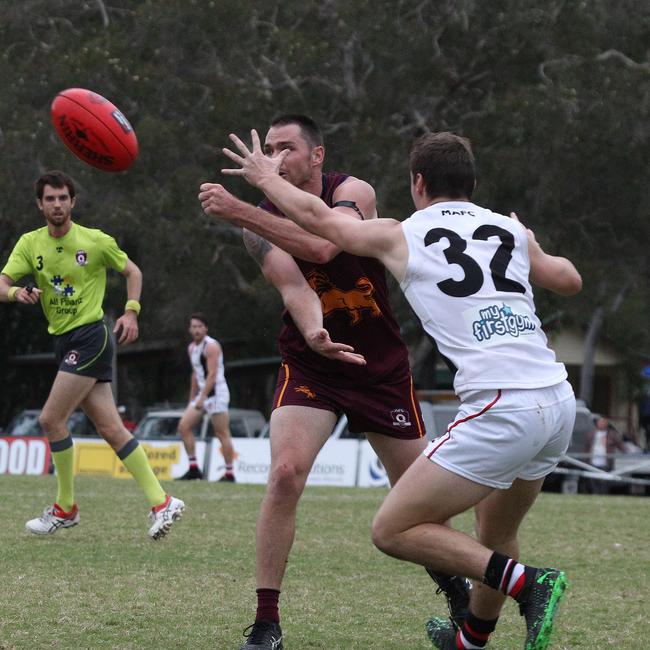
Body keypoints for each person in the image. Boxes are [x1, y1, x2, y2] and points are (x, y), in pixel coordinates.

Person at [217, 129, 583, 650]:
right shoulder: (507, 229)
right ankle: (471, 639)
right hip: (558, 400)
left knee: (392, 531)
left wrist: (257, 180)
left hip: (502, 405)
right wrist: (532, 242)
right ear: (472, 183)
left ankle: (529, 583)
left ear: (417, 183)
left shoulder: (403, 233)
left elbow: (324, 230)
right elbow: (569, 280)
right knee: (495, 532)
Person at [198, 116, 469, 650]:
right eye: (268, 149)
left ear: (317, 155)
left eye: (286, 149)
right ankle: (266, 624)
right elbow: (293, 284)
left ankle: (459, 595)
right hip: (313, 361)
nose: (274, 158)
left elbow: (323, 246)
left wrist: (240, 207)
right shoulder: (258, 226)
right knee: (283, 474)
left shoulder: (353, 191)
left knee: (417, 499)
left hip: (378, 365)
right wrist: (315, 331)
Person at [0, 170, 184, 540]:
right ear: (40, 204)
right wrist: (15, 294)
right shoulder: (29, 244)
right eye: (49, 199)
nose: (57, 204)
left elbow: (132, 270)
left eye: (62, 198)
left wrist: (132, 310)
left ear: (73, 202)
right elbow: (2, 282)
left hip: (91, 337)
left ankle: (65, 508)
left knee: (51, 419)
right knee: (112, 430)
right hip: (63, 342)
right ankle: (162, 501)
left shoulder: (94, 241)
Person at [177, 312, 235, 481]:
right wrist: (192, 399)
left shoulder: (211, 346)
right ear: (189, 329)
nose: (196, 330)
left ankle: (229, 473)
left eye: (199, 326)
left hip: (217, 395)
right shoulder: (191, 348)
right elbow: (196, 374)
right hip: (203, 395)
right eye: (193, 326)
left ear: (206, 328)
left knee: (221, 432)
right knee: (184, 426)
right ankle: (194, 468)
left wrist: (202, 397)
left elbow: (212, 373)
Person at [584, 416, 627, 494]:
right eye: (599, 422)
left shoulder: (612, 434)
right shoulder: (591, 434)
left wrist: (627, 452)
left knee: (604, 482)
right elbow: (586, 448)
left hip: (605, 463)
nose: (601, 423)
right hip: (592, 462)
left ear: (606, 423)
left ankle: (603, 495)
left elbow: (620, 445)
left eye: (603, 422)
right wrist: (585, 459)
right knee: (593, 481)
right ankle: (595, 495)